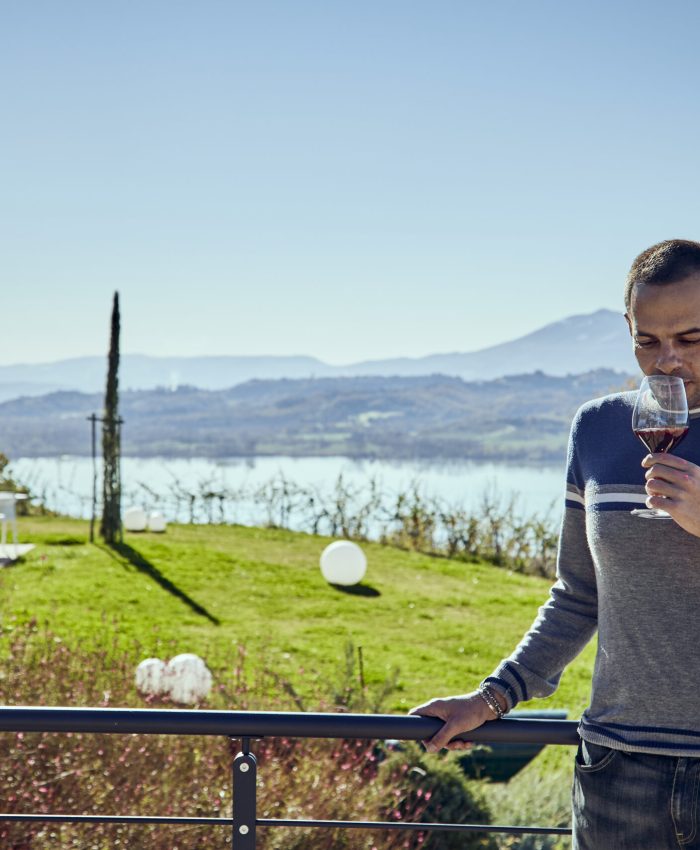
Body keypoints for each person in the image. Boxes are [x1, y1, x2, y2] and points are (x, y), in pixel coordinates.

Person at [410, 239, 700, 849]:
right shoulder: (597, 428)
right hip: (618, 772)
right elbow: (578, 595)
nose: (668, 362)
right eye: (648, 341)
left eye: (691, 339)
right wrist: (493, 697)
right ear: (628, 329)